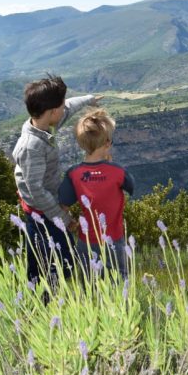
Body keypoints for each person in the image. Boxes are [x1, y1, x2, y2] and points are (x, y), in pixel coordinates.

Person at [12, 74, 100, 284]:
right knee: (56, 264)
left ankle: (41, 302)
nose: (63, 109)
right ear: (52, 112)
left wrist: (89, 99)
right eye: (59, 107)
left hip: (47, 210)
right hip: (42, 215)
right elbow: (36, 190)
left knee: (49, 262)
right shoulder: (31, 146)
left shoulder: (43, 125)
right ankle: (42, 306)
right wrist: (63, 218)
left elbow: (68, 106)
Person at [58, 109, 134, 279]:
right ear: (107, 143)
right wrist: (110, 166)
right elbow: (132, 187)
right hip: (114, 238)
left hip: (86, 241)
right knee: (120, 279)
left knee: (90, 281)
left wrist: (70, 221)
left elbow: (63, 203)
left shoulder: (73, 173)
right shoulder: (118, 172)